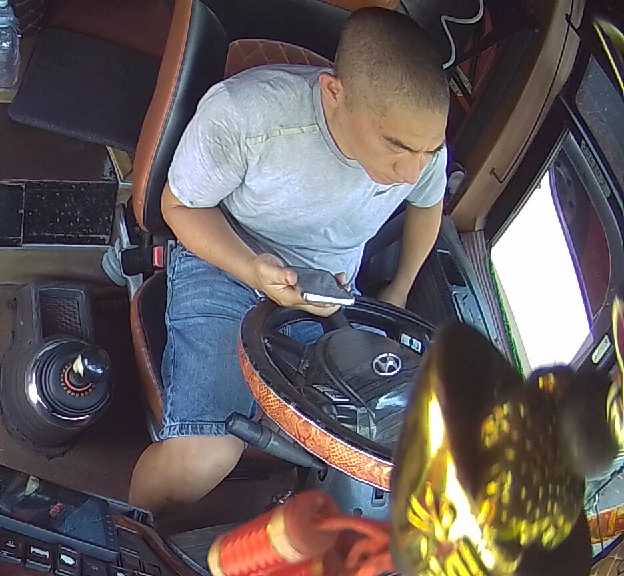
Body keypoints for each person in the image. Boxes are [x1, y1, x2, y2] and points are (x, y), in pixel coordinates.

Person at [128, 8, 449, 514]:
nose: (412, 171)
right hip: (224, 261)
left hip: (325, 292)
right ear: (333, 93)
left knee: (381, 441)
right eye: (396, 147)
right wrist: (253, 269)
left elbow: (428, 205)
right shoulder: (246, 116)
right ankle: (129, 537)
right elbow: (179, 206)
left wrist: (399, 291)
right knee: (203, 455)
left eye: (428, 151)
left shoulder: (420, 144)